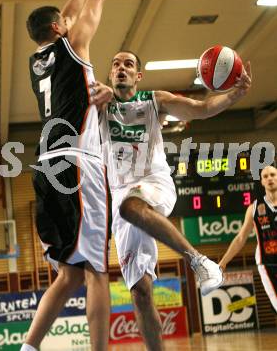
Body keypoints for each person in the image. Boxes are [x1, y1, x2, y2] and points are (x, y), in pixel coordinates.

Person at [100, 50, 252, 350]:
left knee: (131, 206)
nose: (121, 68)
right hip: (121, 194)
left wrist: (236, 94)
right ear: (109, 75)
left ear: (138, 76)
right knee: (141, 292)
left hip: (154, 184)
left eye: (128, 64)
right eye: (115, 64)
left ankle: (200, 262)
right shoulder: (99, 108)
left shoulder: (154, 100)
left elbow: (202, 107)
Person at [21, 0, 115, 351]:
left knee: (69, 276)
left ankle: (28, 347)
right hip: (77, 163)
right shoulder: (73, 46)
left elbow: (71, 9)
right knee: (96, 271)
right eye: (65, 20)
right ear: (59, 28)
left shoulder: (37, 61)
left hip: (46, 166)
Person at [219, 165, 277, 313]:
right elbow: (240, 238)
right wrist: (224, 262)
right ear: (262, 182)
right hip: (268, 262)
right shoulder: (254, 208)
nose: (270, 178)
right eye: (265, 176)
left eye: (272, 175)